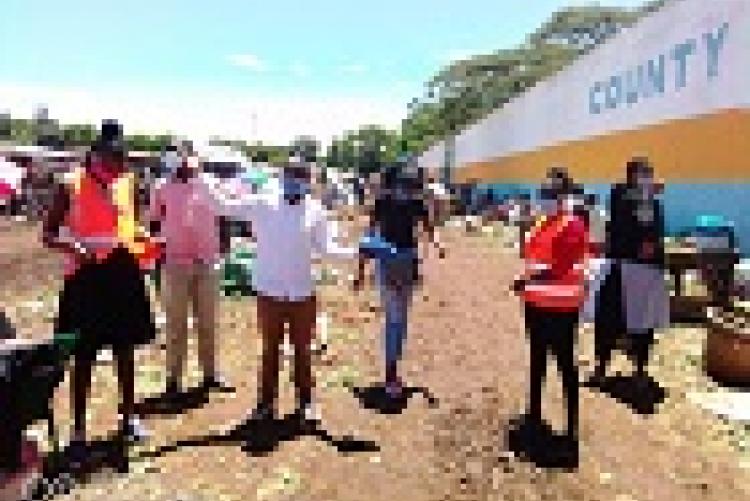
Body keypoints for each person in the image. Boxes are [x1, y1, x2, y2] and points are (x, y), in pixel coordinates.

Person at [43, 120, 159, 472]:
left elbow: (128, 224)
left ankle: (127, 417)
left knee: (125, 350)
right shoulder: (70, 184)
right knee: (84, 356)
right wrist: (74, 246)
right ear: (96, 156)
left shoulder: (127, 181)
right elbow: (48, 234)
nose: (120, 166)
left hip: (122, 272)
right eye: (114, 159)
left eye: (124, 160)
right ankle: (78, 431)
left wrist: (144, 241)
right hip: (86, 276)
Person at [220, 155, 358, 424]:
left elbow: (327, 249)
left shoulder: (316, 210)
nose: (295, 180)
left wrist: (359, 252)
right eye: (291, 174)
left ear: (308, 180)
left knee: (302, 350)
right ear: (282, 177)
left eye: (301, 175)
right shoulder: (263, 203)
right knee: (271, 349)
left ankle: (306, 403)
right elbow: (224, 206)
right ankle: (265, 404)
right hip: (269, 292)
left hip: (302, 292)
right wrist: (197, 175)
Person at [146, 143, 228, 398]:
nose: (177, 162)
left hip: (207, 262)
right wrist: (157, 252)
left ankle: (210, 374)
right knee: (176, 325)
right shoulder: (161, 187)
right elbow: (153, 221)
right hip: (174, 263)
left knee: (208, 322)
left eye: (180, 156)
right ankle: (173, 379)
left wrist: (223, 246)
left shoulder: (209, 184)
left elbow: (223, 215)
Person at [355, 161, 442, 400]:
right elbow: (369, 235)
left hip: (408, 264)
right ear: (392, 184)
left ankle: (393, 365)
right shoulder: (382, 204)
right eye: (401, 184)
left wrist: (436, 243)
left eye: (409, 185)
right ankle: (390, 372)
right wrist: (360, 271)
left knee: (401, 319)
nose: (404, 190)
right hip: (387, 263)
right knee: (394, 318)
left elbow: (429, 227)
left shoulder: (417, 203)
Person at [513, 185, 589, 457]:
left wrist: (528, 280)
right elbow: (531, 254)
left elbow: (561, 267)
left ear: (561, 199)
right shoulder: (543, 222)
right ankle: (533, 412)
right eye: (542, 196)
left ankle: (571, 426)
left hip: (561, 306)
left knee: (566, 363)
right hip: (536, 303)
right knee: (537, 358)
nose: (544, 202)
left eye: (549, 197)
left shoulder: (573, 225)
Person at [591, 157, 668, 382]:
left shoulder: (654, 204)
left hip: (646, 271)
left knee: (644, 320)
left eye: (649, 173)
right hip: (621, 267)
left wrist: (652, 245)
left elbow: (656, 229)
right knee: (608, 318)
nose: (647, 178)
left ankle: (640, 369)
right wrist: (646, 192)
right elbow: (621, 215)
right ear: (631, 175)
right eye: (642, 173)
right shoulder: (620, 194)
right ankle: (601, 367)